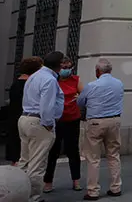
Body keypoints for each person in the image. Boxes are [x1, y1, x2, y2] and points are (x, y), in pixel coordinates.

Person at [19, 51, 65, 202]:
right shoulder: (49, 80)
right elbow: (47, 106)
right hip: (39, 122)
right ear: (59, 65)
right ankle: (33, 197)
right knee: (37, 163)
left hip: (25, 118)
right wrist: (48, 124)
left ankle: (18, 191)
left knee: (25, 160)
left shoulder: (34, 76)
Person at [78, 58, 124, 200]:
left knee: (93, 158)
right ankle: (116, 187)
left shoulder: (91, 86)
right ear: (110, 70)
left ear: (97, 71)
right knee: (114, 155)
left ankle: (93, 191)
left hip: (96, 122)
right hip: (114, 120)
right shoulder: (119, 84)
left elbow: (80, 102)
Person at [43, 57, 83, 194]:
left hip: (72, 118)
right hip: (57, 119)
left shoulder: (75, 80)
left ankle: (76, 180)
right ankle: (48, 181)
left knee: (73, 150)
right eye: (64, 67)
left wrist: (79, 99)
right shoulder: (53, 80)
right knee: (53, 151)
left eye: (69, 67)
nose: (66, 70)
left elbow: (83, 94)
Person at [7, 57, 42, 165]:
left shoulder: (15, 84)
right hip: (28, 119)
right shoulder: (30, 84)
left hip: (15, 119)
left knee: (17, 151)